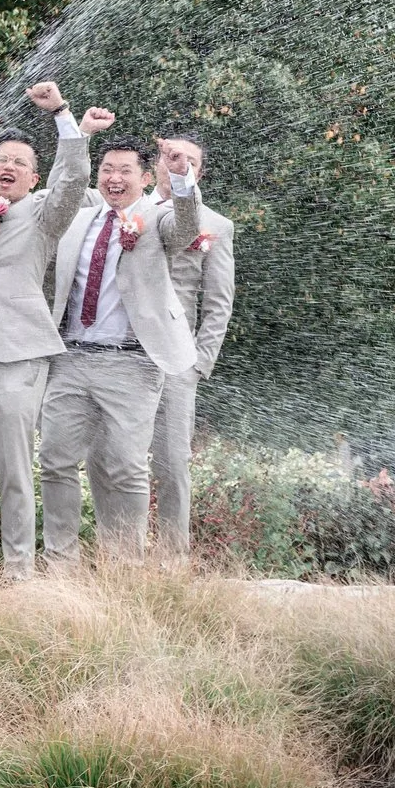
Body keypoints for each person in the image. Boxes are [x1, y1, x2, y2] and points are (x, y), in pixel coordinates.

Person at [0, 84, 106, 575]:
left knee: (12, 472)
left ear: (32, 178)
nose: (7, 167)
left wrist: (61, 114)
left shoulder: (44, 213)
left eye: (19, 163)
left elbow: (73, 178)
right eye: (0, 160)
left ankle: (18, 572)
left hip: (13, 359)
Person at [38, 136, 205, 565]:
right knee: (55, 460)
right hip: (71, 359)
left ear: (146, 178)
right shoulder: (78, 221)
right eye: (107, 169)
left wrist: (182, 175)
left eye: (125, 170)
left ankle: (124, 567)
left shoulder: (158, 219)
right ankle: (61, 562)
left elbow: (187, 227)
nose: (114, 178)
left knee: (126, 468)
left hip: (130, 363)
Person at [150, 134, 236, 554]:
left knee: (172, 462)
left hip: (176, 360)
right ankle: (116, 555)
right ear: (155, 165)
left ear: (198, 172)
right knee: (110, 460)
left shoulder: (216, 225)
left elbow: (218, 303)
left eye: (189, 161)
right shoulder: (127, 212)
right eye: (170, 158)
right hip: (117, 353)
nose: (177, 166)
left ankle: (171, 558)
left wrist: (199, 363)